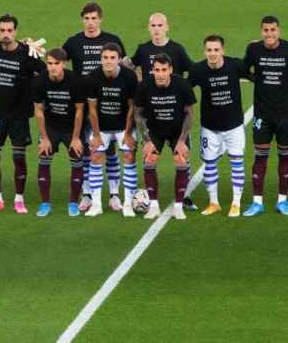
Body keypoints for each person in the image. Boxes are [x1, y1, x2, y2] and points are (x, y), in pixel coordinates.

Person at [61, 1, 124, 211]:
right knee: (88, 150)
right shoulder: (73, 42)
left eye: (94, 18)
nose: (90, 23)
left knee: (111, 150)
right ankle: (87, 193)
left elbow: (123, 68)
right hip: (83, 103)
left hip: (109, 103)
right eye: (87, 18)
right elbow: (57, 62)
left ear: (100, 19)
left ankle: (114, 194)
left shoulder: (112, 40)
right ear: (82, 19)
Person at [243, 15, 288, 216]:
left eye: (273, 30)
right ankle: (257, 202)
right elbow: (245, 70)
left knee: (285, 156)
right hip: (262, 114)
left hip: (286, 114)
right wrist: (259, 81)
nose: (269, 34)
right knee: (260, 157)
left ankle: (282, 201)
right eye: (266, 30)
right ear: (261, 31)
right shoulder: (253, 49)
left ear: (278, 31)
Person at [0, 14, 45, 214]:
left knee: (19, 157)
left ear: (16, 31)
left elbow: (46, 73)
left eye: (10, 31)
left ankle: (19, 199)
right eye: (2, 30)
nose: (6, 34)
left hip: (19, 115)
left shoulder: (28, 52)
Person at [189, 35, 249, 217]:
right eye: (209, 50)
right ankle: (213, 202)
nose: (212, 54)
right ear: (204, 51)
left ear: (223, 50)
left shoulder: (234, 65)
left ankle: (236, 202)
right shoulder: (198, 69)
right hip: (210, 127)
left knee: (236, 162)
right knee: (209, 164)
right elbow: (184, 88)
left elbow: (256, 75)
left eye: (216, 50)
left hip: (234, 126)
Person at [134, 54, 197, 220]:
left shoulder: (182, 85)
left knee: (181, 160)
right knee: (149, 159)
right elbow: (138, 114)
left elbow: (190, 114)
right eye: (157, 70)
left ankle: (178, 206)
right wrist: (146, 140)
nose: (160, 74)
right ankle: (153, 205)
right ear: (152, 71)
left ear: (170, 70)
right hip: (154, 129)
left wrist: (182, 141)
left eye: (164, 70)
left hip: (178, 129)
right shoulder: (144, 86)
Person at [84, 43, 138, 217]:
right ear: (101, 59)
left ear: (119, 60)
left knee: (129, 156)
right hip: (102, 126)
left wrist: (128, 133)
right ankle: (97, 203)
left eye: (112, 58)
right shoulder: (92, 77)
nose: (108, 61)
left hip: (124, 125)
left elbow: (132, 107)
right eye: (105, 58)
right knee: (96, 155)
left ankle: (128, 203)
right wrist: (97, 135)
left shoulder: (129, 77)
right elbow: (92, 108)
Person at [33, 49, 86, 217]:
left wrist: (76, 138)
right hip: (51, 126)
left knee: (76, 157)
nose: (53, 67)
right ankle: (45, 203)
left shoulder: (75, 81)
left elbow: (79, 111)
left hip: (72, 127)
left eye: (56, 64)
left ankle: (73, 203)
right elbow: (39, 111)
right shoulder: (40, 81)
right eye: (49, 63)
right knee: (44, 155)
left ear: (63, 64)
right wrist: (45, 138)